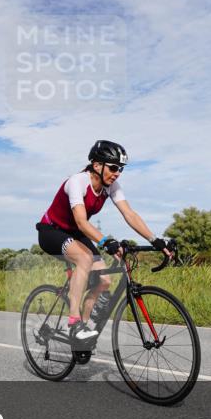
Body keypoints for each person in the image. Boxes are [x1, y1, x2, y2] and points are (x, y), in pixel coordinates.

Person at [36, 140, 173, 341]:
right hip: (51, 231)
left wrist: (156, 240)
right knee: (84, 259)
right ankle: (73, 324)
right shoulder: (77, 182)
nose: (117, 173)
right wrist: (105, 242)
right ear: (97, 165)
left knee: (104, 280)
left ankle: (82, 333)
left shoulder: (111, 186)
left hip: (75, 232)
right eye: (114, 167)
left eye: (121, 169)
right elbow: (82, 222)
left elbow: (130, 214)